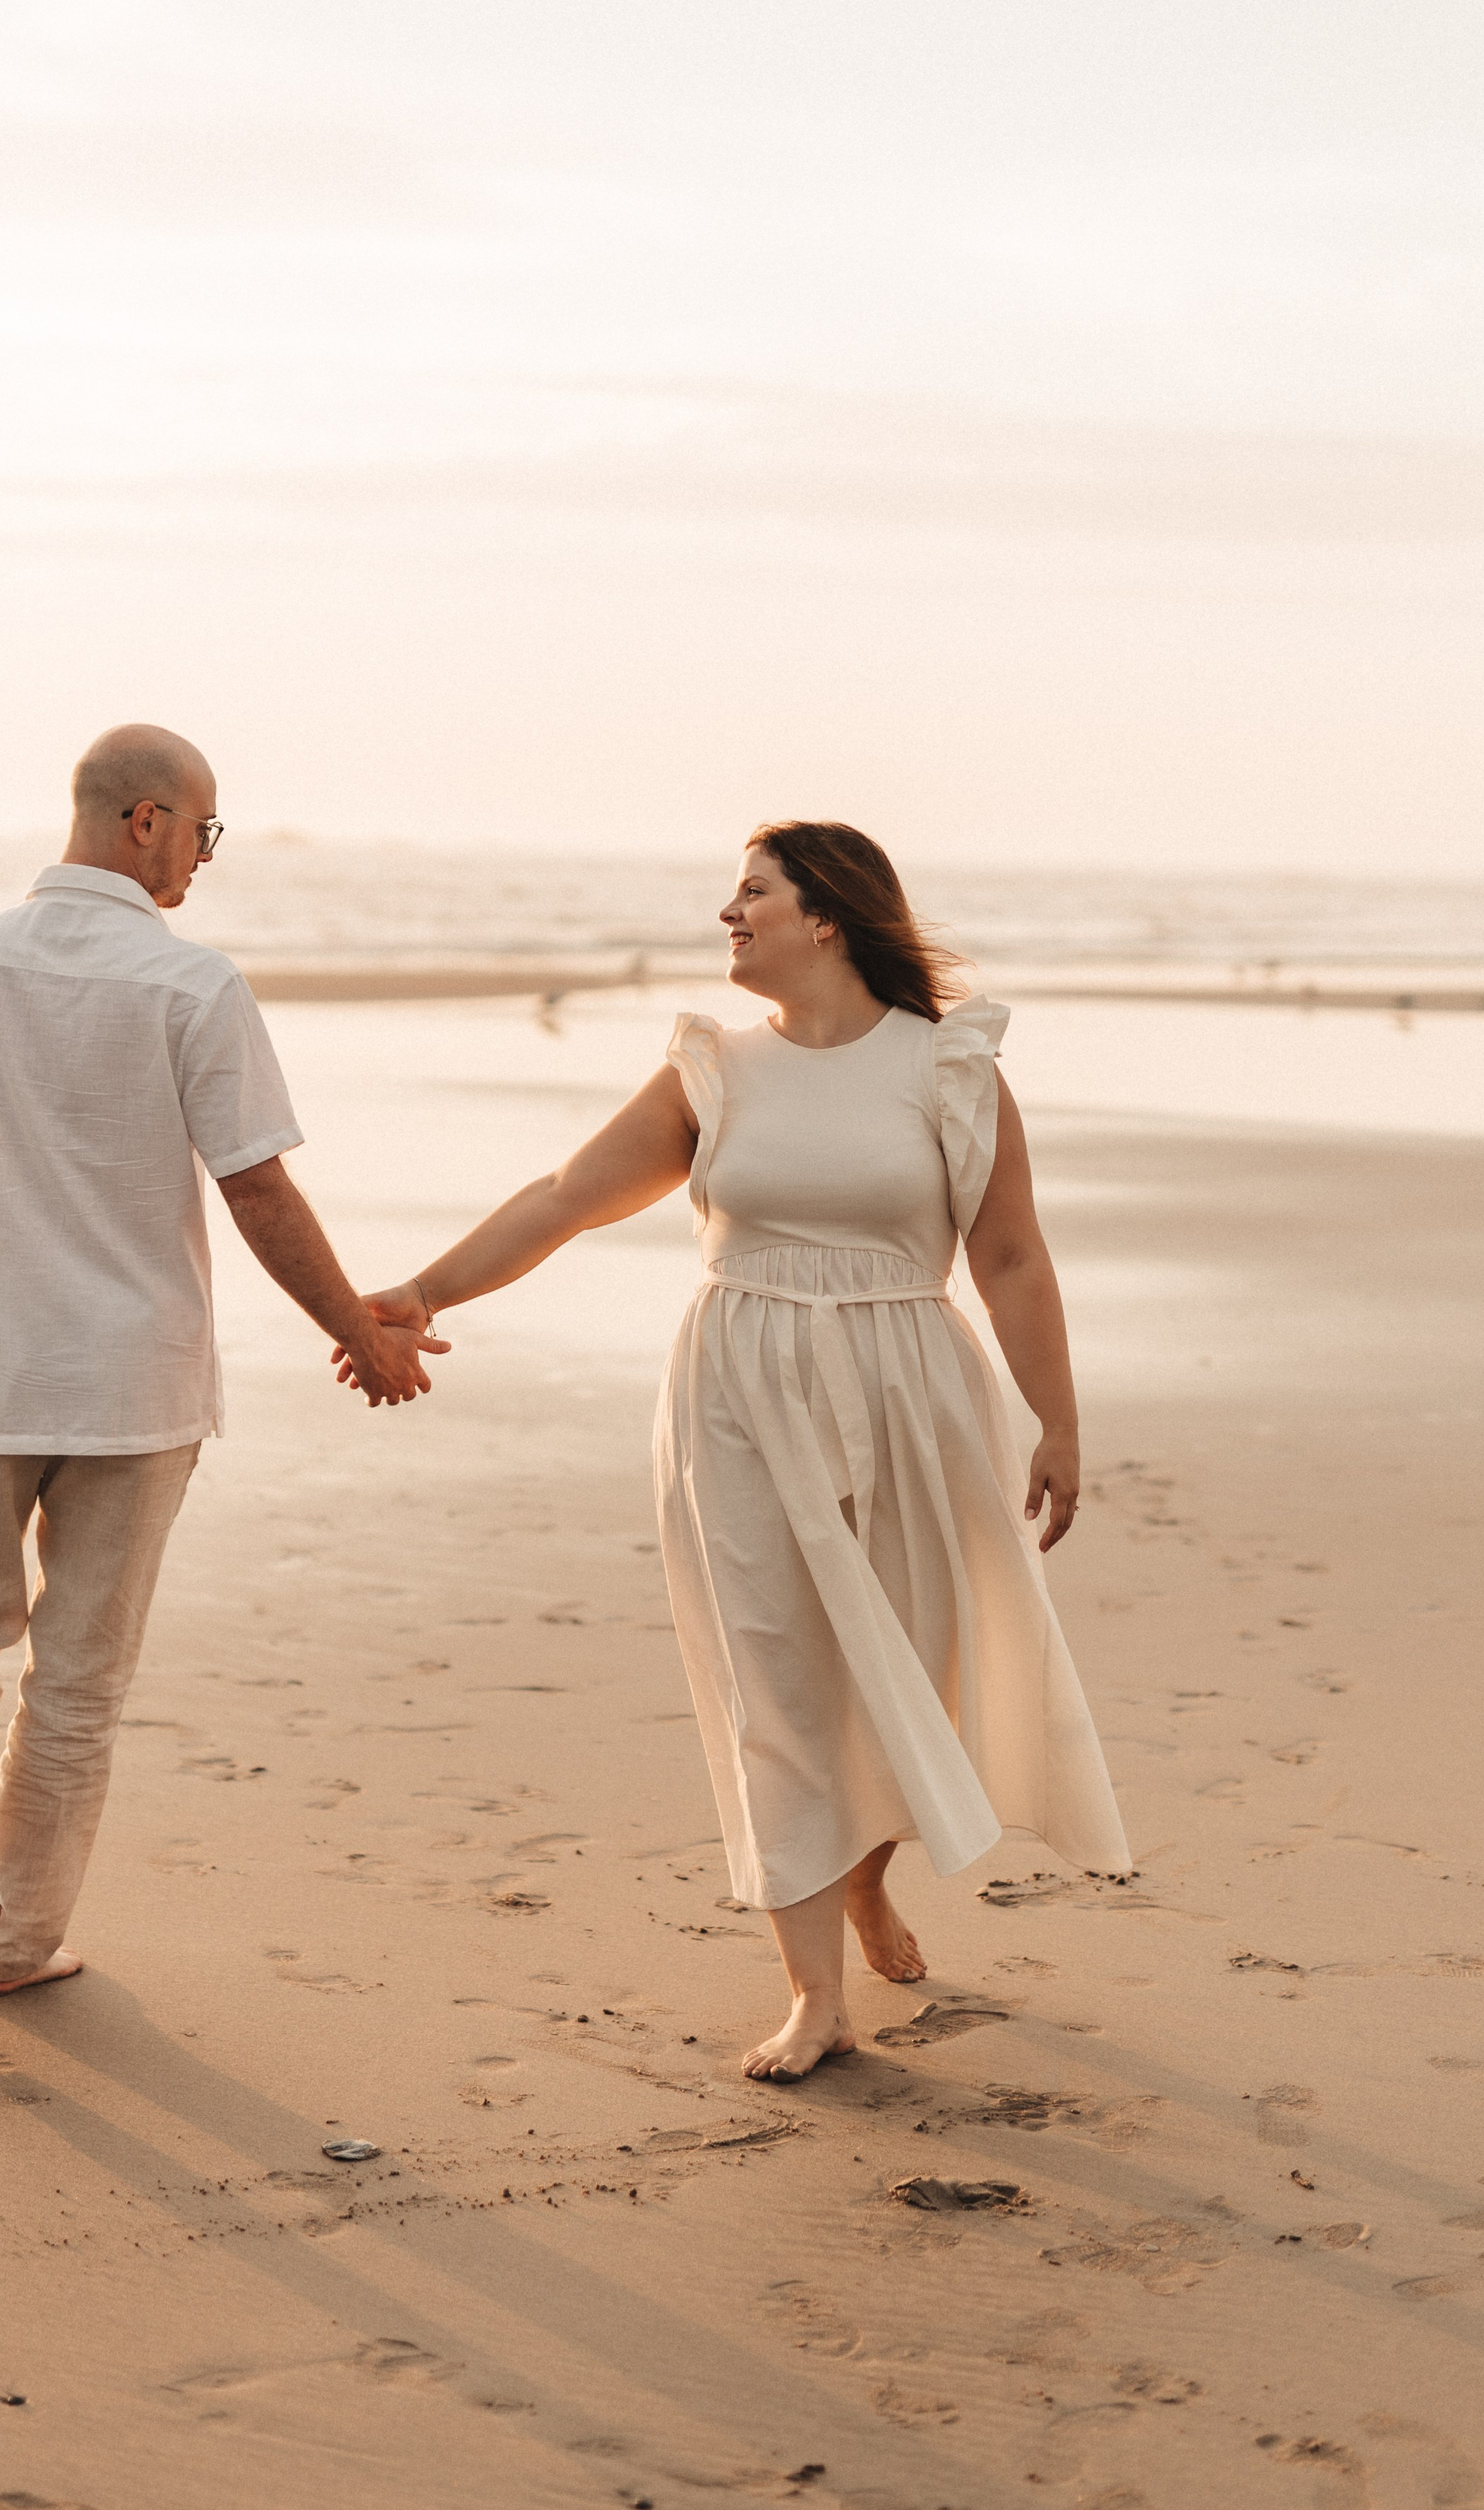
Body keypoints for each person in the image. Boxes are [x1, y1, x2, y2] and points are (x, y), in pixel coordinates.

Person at [340, 821, 1129, 2081]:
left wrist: (1062, 1421)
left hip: (910, 1391)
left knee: (904, 1672)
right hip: (740, 1394)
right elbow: (564, 1195)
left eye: (751, 891)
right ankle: (815, 1992)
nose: (728, 911)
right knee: (774, 1681)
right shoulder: (714, 1071)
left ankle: (863, 1875)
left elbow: (1013, 1256)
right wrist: (424, 1293)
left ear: (826, 916)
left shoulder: (949, 1066)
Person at [0, 724, 442, 2026]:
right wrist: (360, 1329)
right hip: (134, 1388)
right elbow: (257, 1185)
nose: (203, 859)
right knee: (77, 1677)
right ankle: (18, 1942)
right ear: (146, 822)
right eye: (203, 831)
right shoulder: (192, 986)